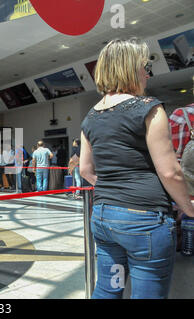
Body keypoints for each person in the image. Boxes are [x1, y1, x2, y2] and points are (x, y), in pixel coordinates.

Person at [80, 38, 194, 299]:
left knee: (108, 289)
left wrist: (115, 190)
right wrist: (189, 209)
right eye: (144, 66)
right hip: (145, 222)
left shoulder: (91, 116)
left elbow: (85, 170)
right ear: (129, 68)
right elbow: (169, 172)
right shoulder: (149, 109)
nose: (147, 73)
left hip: (104, 218)